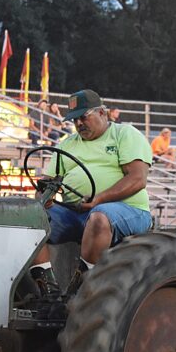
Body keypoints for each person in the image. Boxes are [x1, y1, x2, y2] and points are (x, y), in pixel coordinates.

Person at [29, 89, 152, 308]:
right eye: (74, 119)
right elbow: (47, 181)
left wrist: (100, 199)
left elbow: (137, 179)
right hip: (74, 211)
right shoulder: (67, 144)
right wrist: (43, 198)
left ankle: (82, 288)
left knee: (99, 217)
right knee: (29, 220)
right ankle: (48, 291)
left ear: (103, 113)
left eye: (84, 117)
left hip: (127, 209)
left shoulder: (125, 134)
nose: (79, 123)